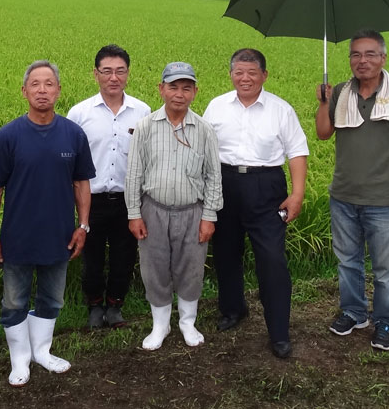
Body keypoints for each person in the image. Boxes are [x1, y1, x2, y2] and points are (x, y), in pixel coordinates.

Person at [0, 60, 96, 386]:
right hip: (17, 237)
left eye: (49, 84)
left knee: (51, 298)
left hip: (59, 235)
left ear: (59, 90)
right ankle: (20, 359)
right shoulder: (8, 136)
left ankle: (42, 351)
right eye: (35, 84)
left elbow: (81, 183)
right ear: (24, 91)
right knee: (14, 300)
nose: (42, 90)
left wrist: (83, 225)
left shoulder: (73, 134)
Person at [315, 29, 389, 351]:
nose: (362, 61)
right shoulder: (340, 94)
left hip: (384, 200)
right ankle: (353, 312)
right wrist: (323, 102)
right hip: (343, 196)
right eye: (355, 55)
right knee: (347, 261)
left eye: (369, 54)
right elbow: (323, 133)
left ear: (383, 58)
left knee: (385, 267)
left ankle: (386, 320)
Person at [202, 48, 309, 360]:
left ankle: (279, 331)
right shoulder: (217, 106)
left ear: (264, 75)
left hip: (266, 188)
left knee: (272, 260)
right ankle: (233, 310)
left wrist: (297, 193)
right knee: (225, 253)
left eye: (251, 72)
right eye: (239, 72)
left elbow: (298, 151)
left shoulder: (280, 109)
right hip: (224, 183)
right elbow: (204, 148)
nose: (245, 78)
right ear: (231, 74)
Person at [125, 61, 222, 351]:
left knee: (190, 267)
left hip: (193, 210)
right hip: (153, 209)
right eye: (173, 87)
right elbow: (134, 173)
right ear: (161, 89)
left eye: (186, 88)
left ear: (194, 92)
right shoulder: (145, 127)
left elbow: (213, 174)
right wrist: (133, 214)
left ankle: (187, 322)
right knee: (154, 267)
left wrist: (209, 215)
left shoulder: (204, 129)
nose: (179, 94)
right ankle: (161, 324)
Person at [67, 44, 151, 329]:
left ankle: (115, 304)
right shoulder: (79, 114)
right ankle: (93, 305)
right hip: (90, 198)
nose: (113, 77)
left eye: (120, 71)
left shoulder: (143, 112)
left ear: (128, 74)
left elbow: (148, 157)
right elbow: (70, 161)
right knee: (91, 255)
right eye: (107, 71)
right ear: (96, 74)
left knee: (124, 255)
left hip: (129, 199)